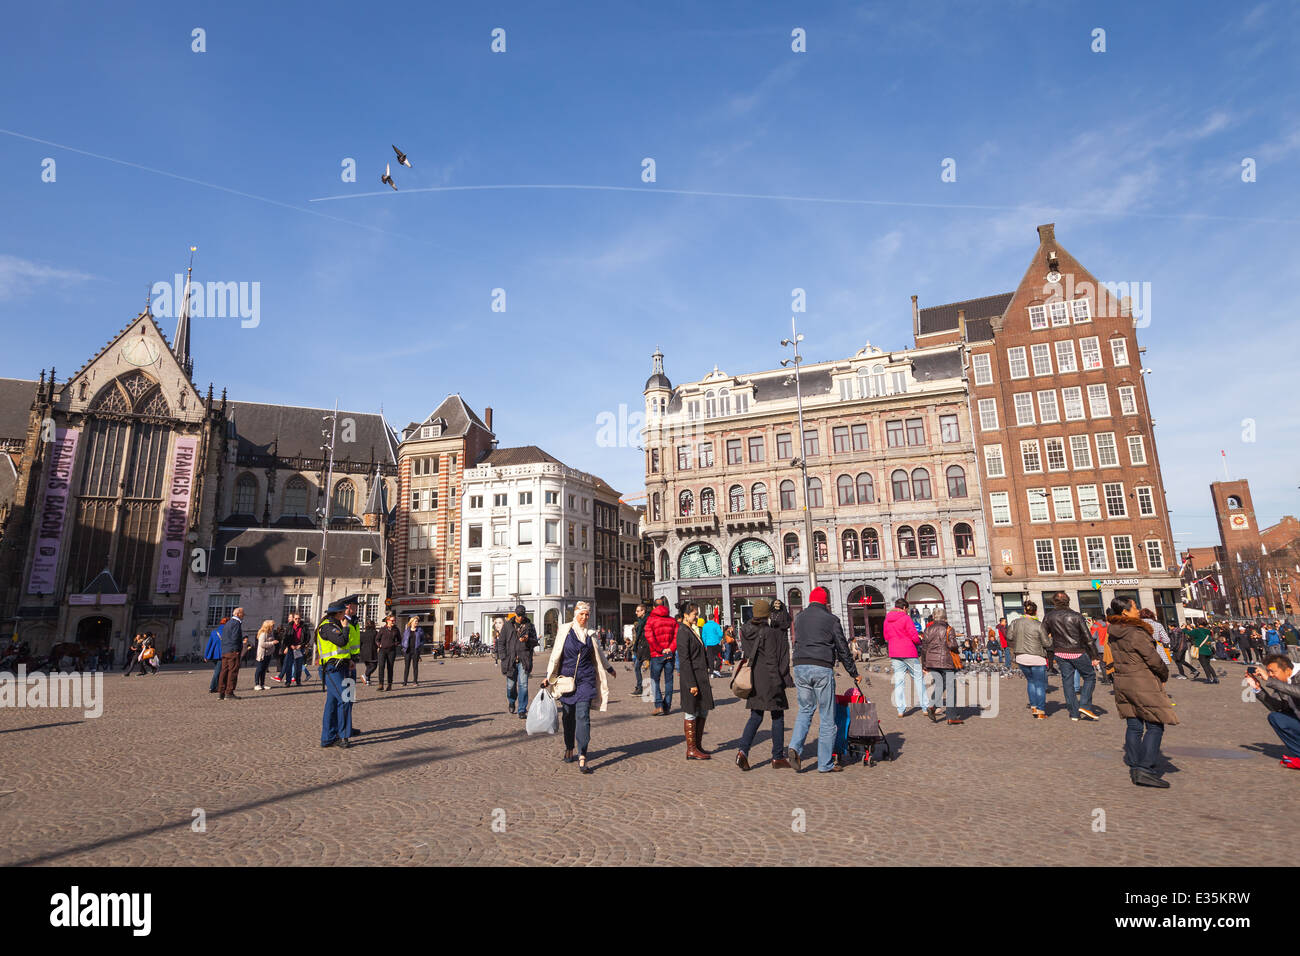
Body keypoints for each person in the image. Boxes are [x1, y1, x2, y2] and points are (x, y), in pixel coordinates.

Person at [786, 586, 860, 773]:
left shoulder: (799, 617)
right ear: (825, 601)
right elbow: (842, 647)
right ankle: (825, 763)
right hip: (821, 666)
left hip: (800, 665)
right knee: (827, 716)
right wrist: (853, 672)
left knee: (805, 709)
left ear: (810, 600)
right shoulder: (831, 619)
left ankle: (795, 746)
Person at [1107, 596, 1177, 788]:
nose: (1138, 610)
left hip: (1123, 680)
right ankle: (1144, 769)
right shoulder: (1135, 632)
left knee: (1134, 724)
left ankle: (1135, 761)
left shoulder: (1114, 631)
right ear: (1125, 612)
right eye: (1135, 607)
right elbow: (1152, 658)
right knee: (1155, 725)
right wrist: (1163, 673)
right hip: (1142, 681)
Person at [541, 601, 615, 773]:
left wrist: (609, 668)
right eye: (581, 614)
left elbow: (599, 654)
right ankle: (569, 746)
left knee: (583, 716)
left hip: (586, 680)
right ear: (575, 614)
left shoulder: (591, 634)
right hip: (566, 680)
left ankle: (582, 753)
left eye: (587, 614)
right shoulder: (565, 630)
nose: (584, 617)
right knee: (568, 717)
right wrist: (548, 677)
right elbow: (555, 654)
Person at [735, 598, 793, 770]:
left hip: (754, 678)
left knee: (756, 716)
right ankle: (777, 757)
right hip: (769, 678)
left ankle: (742, 751)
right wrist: (778, 683)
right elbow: (771, 660)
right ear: (766, 614)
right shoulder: (768, 633)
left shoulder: (745, 630)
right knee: (778, 715)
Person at [1043, 592, 1102, 722]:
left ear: (1054, 602)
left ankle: (1074, 713)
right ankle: (1085, 705)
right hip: (1077, 651)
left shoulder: (1049, 617)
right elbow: (1087, 638)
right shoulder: (1076, 616)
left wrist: (1049, 650)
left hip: (1059, 652)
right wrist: (1094, 656)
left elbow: (1043, 635)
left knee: (1067, 682)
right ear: (1068, 601)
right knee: (1089, 676)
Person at [1244, 653, 1300, 769]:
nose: (1270, 675)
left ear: (1288, 670)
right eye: (1268, 671)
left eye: (1273, 672)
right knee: (1276, 717)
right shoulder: (1281, 683)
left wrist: (1270, 680)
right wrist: (1258, 689)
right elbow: (1278, 707)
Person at [676, 601, 716, 760]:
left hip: (701, 677)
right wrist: (691, 683)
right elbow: (684, 660)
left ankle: (698, 745)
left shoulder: (693, 630)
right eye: (694, 614)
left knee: (703, 709)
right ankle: (691, 749)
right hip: (691, 678)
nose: (697, 616)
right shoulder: (683, 632)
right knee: (691, 711)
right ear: (686, 615)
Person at [317, 598, 360, 748]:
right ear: (337, 613)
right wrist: (346, 627)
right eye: (343, 612)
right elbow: (341, 642)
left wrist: (349, 660)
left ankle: (328, 737)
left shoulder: (336, 624)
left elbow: (344, 648)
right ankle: (342, 736)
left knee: (333, 702)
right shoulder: (328, 627)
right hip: (331, 668)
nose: (345, 614)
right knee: (345, 699)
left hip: (343, 666)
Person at [919, 607, 963, 724]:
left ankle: (933, 705)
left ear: (933, 617)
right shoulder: (949, 629)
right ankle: (951, 716)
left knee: (939, 684)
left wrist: (924, 665)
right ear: (945, 617)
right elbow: (953, 645)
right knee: (950, 688)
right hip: (946, 661)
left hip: (931, 661)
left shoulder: (927, 630)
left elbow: (924, 649)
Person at [1009, 601, 1052, 718]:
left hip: (1021, 657)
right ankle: (1040, 711)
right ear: (1036, 611)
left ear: (1024, 610)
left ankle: (1033, 706)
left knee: (1031, 682)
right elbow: (1047, 643)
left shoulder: (1015, 622)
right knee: (1039, 685)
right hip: (1037, 657)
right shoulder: (1039, 625)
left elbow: (1009, 636)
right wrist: (1051, 638)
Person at [884, 598, 925, 718]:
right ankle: (925, 707)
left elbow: (886, 636)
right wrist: (918, 642)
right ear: (904, 608)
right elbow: (913, 634)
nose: (907, 612)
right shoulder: (906, 618)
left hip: (895, 652)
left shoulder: (887, 619)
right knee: (918, 678)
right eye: (907, 609)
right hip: (909, 651)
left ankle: (900, 710)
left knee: (899, 682)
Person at [500, 605, 539, 720]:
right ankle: (512, 701)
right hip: (510, 660)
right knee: (510, 686)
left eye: (522, 615)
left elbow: (535, 642)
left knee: (523, 685)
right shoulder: (507, 625)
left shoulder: (530, 626)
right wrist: (503, 657)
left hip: (524, 660)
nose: (520, 618)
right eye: (518, 615)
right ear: (515, 614)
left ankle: (522, 709)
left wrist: (528, 640)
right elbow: (501, 642)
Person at [644, 598, 678, 715]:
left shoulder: (651, 620)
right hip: (669, 654)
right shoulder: (672, 620)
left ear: (653, 607)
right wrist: (670, 649)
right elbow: (676, 637)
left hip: (657, 654)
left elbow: (649, 637)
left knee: (655, 680)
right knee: (669, 681)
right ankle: (667, 706)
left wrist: (660, 649)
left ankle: (659, 705)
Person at [217, 608, 247, 700]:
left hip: (225, 650)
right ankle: (229, 692)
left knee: (224, 671)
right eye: (243, 613)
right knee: (232, 671)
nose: (244, 615)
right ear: (238, 614)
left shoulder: (228, 623)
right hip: (232, 651)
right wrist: (236, 650)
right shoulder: (236, 623)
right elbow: (235, 637)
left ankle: (221, 692)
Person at [374, 615, 398, 691]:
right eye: (392, 620)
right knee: (381, 667)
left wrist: (394, 644)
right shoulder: (382, 629)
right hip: (382, 650)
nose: (393, 622)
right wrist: (379, 644)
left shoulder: (396, 629)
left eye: (394, 620)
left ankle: (389, 684)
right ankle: (381, 684)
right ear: (388, 621)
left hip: (391, 651)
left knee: (390, 668)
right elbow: (377, 639)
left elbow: (399, 640)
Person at [253, 620, 278, 690]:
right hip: (262, 654)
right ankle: (257, 684)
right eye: (272, 626)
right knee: (259, 669)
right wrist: (272, 643)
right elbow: (262, 644)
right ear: (268, 626)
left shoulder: (270, 633)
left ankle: (262, 683)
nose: (273, 627)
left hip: (268, 654)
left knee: (264, 670)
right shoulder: (263, 634)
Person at [630, 604, 649, 697]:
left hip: (644, 647)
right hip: (641, 646)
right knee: (637, 667)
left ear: (643, 611)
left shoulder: (646, 621)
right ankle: (640, 687)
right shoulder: (641, 621)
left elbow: (644, 635)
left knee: (637, 667)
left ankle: (640, 688)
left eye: (638, 611)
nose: (636, 612)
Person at [401, 616, 424, 685]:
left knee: (415, 666)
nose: (416, 623)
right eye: (415, 621)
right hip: (408, 650)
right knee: (406, 666)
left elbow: (422, 639)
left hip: (415, 650)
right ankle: (405, 682)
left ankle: (415, 681)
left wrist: (420, 645)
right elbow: (403, 640)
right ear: (411, 622)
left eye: (417, 621)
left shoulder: (420, 630)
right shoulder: (407, 630)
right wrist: (403, 647)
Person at [701, 611, 724, 678]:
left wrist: (705, 644)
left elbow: (703, 636)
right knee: (719, 657)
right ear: (714, 618)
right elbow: (721, 634)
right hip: (716, 643)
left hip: (708, 644)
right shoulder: (716, 625)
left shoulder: (705, 626)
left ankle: (711, 673)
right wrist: (719, 639)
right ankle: (716, 669)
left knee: (710, 659)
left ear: (708, 618)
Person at [204, 621, 225, 693]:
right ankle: (212, 687)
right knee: (218, 671)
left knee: (218, 670)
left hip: (213, 655)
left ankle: (217, 686)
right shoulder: (226, 632)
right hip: (221, 654)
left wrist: (206, 655)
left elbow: (209, 644)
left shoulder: (214, 632)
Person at [359, 618, 379, 686]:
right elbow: (377, 641)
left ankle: (368, 680)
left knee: (368, 666)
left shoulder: (362, 634)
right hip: (372, 652)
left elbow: (360, 643)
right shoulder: (375, 633)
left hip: (364, 652)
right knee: (374, 666)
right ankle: (365, 675)